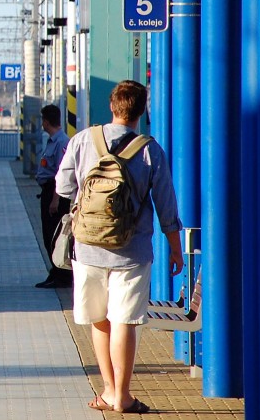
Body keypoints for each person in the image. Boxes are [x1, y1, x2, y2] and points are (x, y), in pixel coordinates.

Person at [55, 80, 184, 414]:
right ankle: (123, 397)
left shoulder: (84, 139)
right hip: (132, 251)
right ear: (141, 112)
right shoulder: (149, 149)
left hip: (87, 248)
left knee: (100, 320)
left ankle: (109, 391)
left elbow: (63, 185)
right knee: (124, 322)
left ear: (112, 107)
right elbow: (165, 204)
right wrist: (174, 246)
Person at [35, 104, 71, 288]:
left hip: (55, 195)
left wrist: (56, 200)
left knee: (55, 236)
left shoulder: (61, 143)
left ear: (46, 122)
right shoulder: (52, 141)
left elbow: (61, 174)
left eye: (43, 120)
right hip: (48, 193)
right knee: (48, 236)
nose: (42, 124)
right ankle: (55, 272)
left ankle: (62, 276)